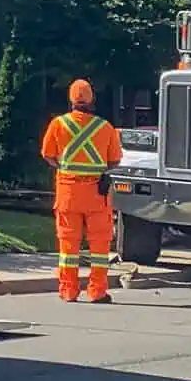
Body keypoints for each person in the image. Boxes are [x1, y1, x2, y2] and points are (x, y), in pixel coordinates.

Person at [41, 78, 123, 304]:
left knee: (68, 246)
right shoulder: (105, 128)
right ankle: (97, 291)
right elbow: (115, 160)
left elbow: (48, 155)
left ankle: (68, 290)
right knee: (100, 246)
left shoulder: (58, 124)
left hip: (68, 193)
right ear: (92, 100)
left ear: (70, 100)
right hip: (97, 195)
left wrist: (66, 166)